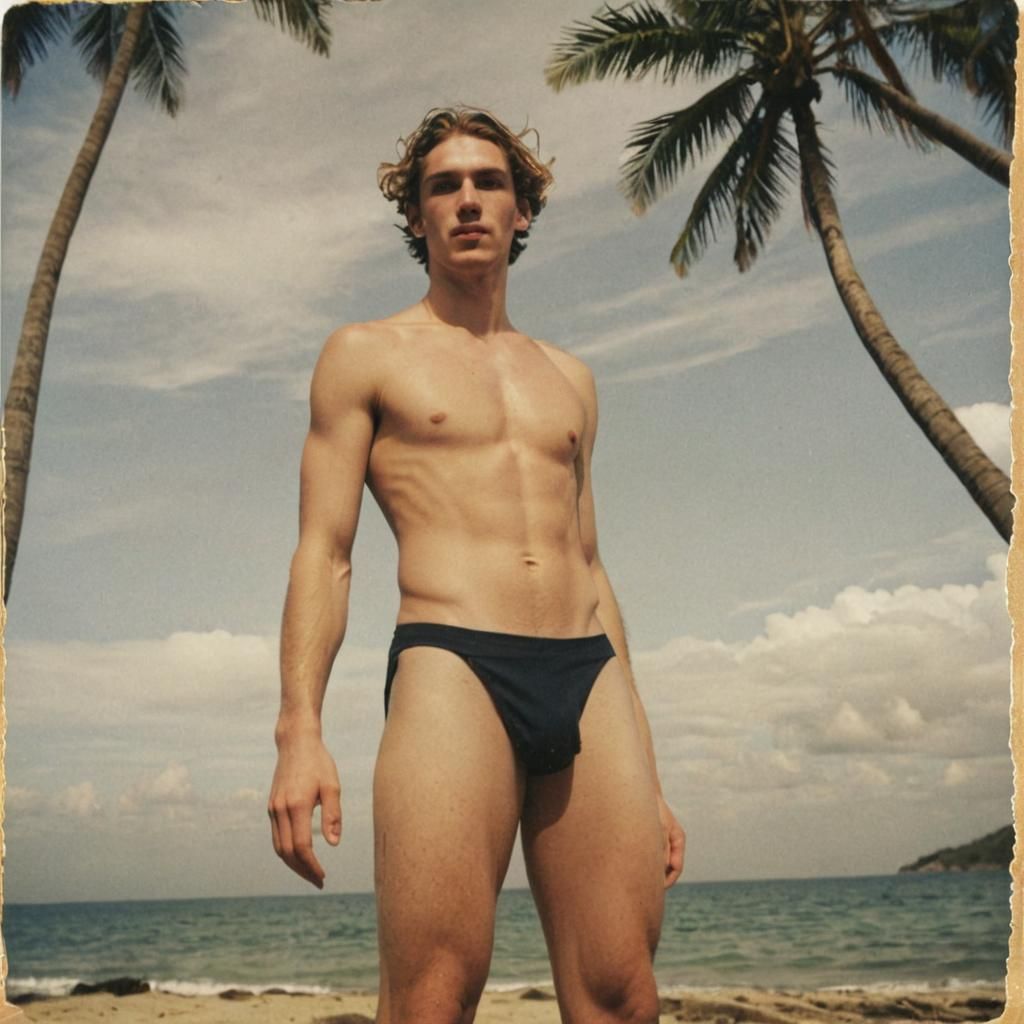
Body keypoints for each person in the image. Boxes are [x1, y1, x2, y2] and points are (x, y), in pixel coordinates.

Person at [268, 106, 685, 1024]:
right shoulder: (364, 355)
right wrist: (299, 730)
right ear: (415, 217)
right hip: (454, 663)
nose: (466, 201)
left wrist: (645, 771)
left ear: (522, 211)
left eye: (487, 183)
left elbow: (591, 563)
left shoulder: (568, 377)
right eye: (442, 186)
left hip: (587, 669)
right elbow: (325, 552)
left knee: (623, 995)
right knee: (431, 998)